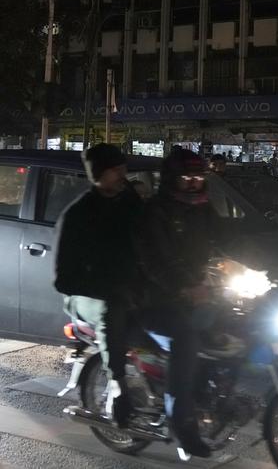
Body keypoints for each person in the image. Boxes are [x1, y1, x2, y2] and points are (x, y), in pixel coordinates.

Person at [133, 149, 230, 458]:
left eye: (198, 178)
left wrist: (269, 263)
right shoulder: (156, 212)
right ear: (173, 179)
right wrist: (185, 287)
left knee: (237, 325)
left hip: (194, 293)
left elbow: (230, 238)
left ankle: (212, 396)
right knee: (185, 341)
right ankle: (183, 425)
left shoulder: (203, 209)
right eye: (187, 178)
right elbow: (156, 262)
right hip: (157, 300)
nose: (193, 184)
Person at [54, 144, 142, 428]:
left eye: (123, 170)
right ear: (99, 174)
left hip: (128, 287)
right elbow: (64, 278)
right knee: (111, 308)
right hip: (86, 296)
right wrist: (109, 286)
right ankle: (117, 384)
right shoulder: (78, 214)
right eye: (115, 171)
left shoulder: (130, 202)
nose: (122, 176)